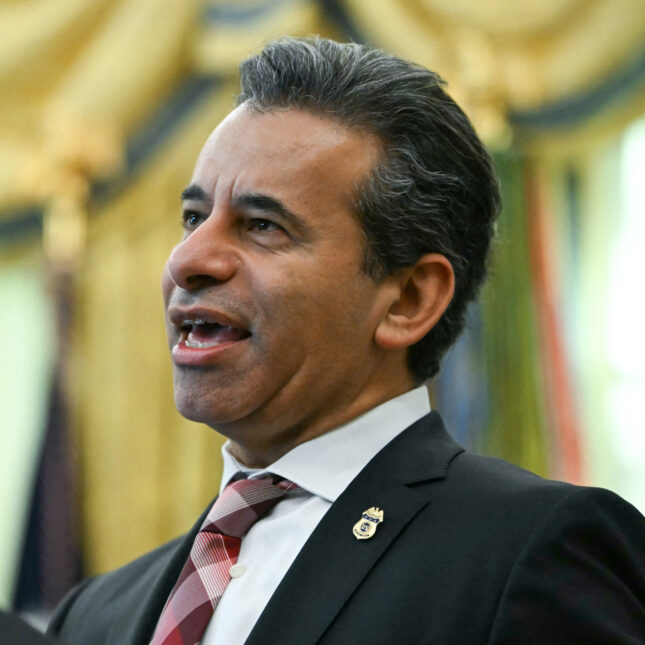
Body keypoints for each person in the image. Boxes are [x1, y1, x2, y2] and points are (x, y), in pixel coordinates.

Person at [48, 37, 645, 644]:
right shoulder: (91, 617)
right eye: (194, 218)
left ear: (409, 300)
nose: (188, 260)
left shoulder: (531, 550)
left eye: (262, 226)